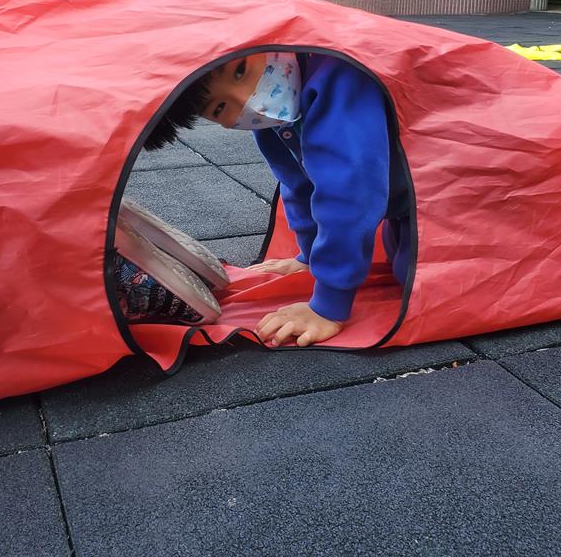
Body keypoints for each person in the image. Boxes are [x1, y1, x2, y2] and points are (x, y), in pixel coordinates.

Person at [128, 51, 412, 348]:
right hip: (399, 207)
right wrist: (309, 257)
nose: (249, 100)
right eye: (220, 107)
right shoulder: (269, 117)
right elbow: (297, 182)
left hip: (432, 201)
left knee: (415, 279)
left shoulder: (337, 76)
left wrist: (329, 305)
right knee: (399, 264)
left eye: (240, 70)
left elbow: (350, 195)